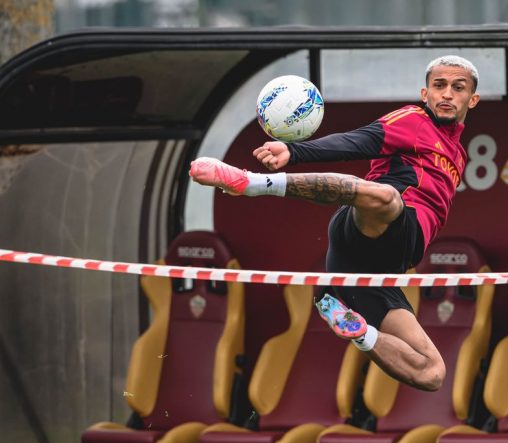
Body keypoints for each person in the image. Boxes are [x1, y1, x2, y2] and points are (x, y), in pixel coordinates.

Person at [190, 55, 480, 392]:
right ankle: (252, 184)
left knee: (432, 374)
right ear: (424, 93)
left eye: (457, 88)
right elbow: (358, 141)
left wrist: (364, 332)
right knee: (388, 199)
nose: (446, 94)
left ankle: (357, 330)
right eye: (438, 86)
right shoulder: (414, 120)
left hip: (383, 271)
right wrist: (294, 152)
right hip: (370, 228)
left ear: (471, 100)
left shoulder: (458, 153)